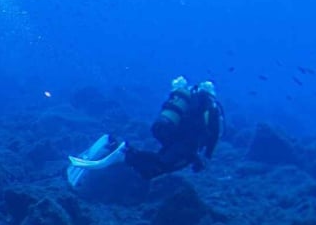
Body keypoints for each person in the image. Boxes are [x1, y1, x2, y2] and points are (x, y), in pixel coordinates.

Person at [67, 77, 224, 186]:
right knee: (163, 165)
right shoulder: (213, 109)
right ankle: (124, 153)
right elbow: (214, 134)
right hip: (184, 142)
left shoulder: (190, 102)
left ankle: (112, 145)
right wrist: (206, 157)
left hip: (168, 133)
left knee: (157, 164)